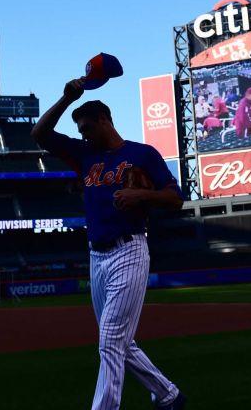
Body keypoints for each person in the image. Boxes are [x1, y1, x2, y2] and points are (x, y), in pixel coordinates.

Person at [31, 77, 186, 410]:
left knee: (111, 339)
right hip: (96, 256)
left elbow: (176, 198)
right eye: (81, 129)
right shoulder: (84, 155)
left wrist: (141, 194)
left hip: (129, 248)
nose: (83, 134)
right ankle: (169, 395)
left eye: (87, 127)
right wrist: (66, 99)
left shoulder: (142, 154)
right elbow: (39, 135)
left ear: (105, 120)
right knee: (119, 341)